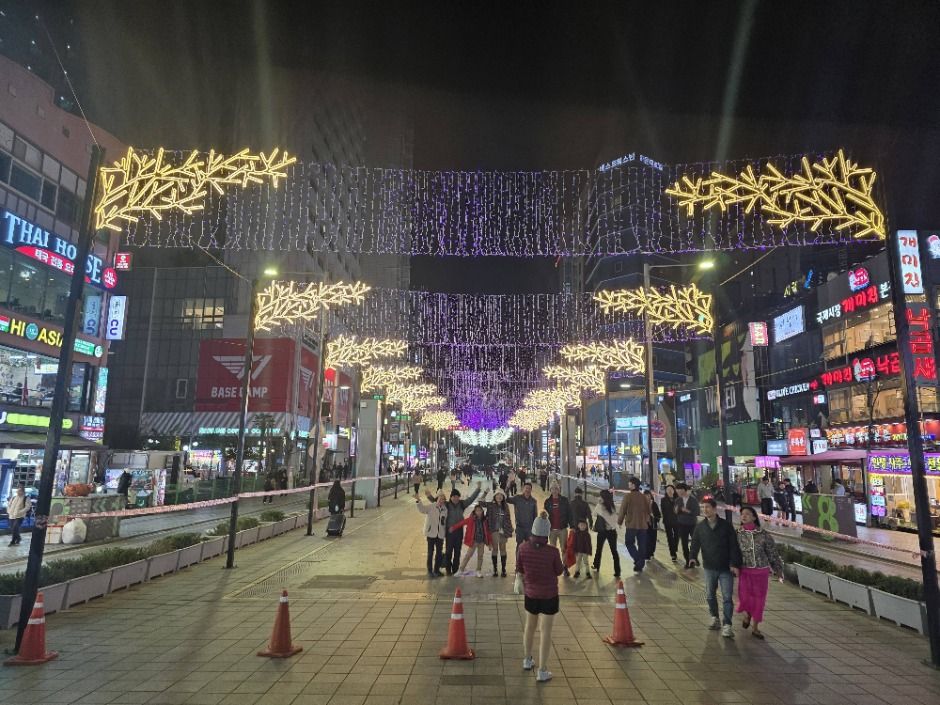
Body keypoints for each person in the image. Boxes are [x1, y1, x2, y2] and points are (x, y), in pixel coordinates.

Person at [515, 512, 562, 683]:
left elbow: (519, 568)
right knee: (546, 632)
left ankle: (527, 660)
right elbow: (559, 571)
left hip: (531, 594)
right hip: (549, 595)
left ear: (533, 530)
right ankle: (542, 670)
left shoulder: (523, 548)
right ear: (547, 533)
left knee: (529, 627)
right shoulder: (553, 551)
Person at [689, 498, 743, 638]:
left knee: (726, 597)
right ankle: (715, 617)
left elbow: (733, 546)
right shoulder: (700, 527)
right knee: (710, 595)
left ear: (714, 509)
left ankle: (727, 625)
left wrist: (734, 564)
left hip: (726, 567)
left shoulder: (726, 526)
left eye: (707, 507)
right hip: (709, 566)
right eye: (703, 507)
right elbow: (695, 543)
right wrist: (692, 557)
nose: (705, 510)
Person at [736, 506, 784, 639]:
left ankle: (755, 628)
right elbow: (732, 553)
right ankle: (747, 615)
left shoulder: (763, 534)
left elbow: (772, 553)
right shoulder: (737, 534)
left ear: (754, 517)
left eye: (747, 514)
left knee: (759, 600)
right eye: (742, 514)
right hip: (745, 572)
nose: (744, 516)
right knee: (745, 597)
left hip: (761, 572)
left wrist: (778, 570)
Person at [428, 483, 482, 575]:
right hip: (449, 531)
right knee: (449, 551)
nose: (456, 498)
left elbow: (471, 499)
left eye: (457, 496)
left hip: (459, 531)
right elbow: (436, 500)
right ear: (451, 497)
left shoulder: (462, 504)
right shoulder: (447, 504)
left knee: (457, 551)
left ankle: (455, 569)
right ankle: (448, 569)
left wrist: (478, 489)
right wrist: (429, 496)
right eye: (454, 496)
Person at [617, 477, 651, 573]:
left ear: (633, 485)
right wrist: (647, 521)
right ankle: (640, 564)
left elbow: (623, 510)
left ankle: (638, 560)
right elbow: (648, 511)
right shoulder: (643, 496)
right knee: (642, 545)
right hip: (643, 525)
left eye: (629, 483)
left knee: (629, 543)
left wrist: (619, 521)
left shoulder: (628, 496)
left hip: (632, 524)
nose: (628, 485)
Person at [450, 503, 491, 577]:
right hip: (474, 541)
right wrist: (453, 527)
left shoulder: (485, 520)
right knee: (468, 555)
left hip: (482, 541)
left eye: (480, 510)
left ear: (482, 511)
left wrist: (489, 543)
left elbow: (488, 532)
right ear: (474, 512)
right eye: (477, 511)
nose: (478, 512)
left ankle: (478, 571)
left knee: (480, 556)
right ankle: (461, 570)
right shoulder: (471, 519)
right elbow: (461, 523)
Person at [416, 491, 448, 577]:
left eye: (443, 499)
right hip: (431, 534)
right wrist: (418, 500)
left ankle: (437, 570)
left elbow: (444, 522)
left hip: (440, 535)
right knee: (430, 553)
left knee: (439, 553)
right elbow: (422, 509)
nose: (442, 501)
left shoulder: (445, 509)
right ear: (437, 499)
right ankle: (430, 570)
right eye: (440, 499)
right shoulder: (431, 506)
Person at [483, 487, 513, 576]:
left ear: (503, 497)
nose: (499, 497)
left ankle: (503, 569)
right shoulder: (491, 505)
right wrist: (485, 492)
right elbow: (480, 501)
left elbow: (508, 518)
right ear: (495, 496)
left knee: (503, 549)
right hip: (494, 530)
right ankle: (495, 569)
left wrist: (509, 530)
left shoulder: (505, 506)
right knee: (495, 549)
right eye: (497, 495)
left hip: (503, 531)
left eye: (501, 495)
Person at [543, 483, 572, 577]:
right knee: (553, 550)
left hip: (562, 529)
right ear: (550, 490)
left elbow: (569, 513)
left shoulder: (564, 500)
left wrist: (572, 525)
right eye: (553, 488)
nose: (555, 490)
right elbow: (544, 515)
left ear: (559, 490)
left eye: (556, 488)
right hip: (552, 530)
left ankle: (565, 567)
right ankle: (553, 567)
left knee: (564, 549)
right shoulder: (547, 502)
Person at [591, 489, 621, 578]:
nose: (599, 498)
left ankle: (597, 566)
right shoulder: (612, 507)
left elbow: (594, 514)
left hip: (604, 532)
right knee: (612, 551)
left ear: (604, 497)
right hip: (610, 532)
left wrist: (599, 504)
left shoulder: (603, 507)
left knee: (601, 549)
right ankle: (617, 571)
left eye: (600, 496)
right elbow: (595, 514)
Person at [507, 481, 538, 558]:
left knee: (530, 547)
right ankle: (518, 565)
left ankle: (528, 564)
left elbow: (535, 515)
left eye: (529, 488)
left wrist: (535, 529)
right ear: (523, 489)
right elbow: (506, 499)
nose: (527, 490)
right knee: (519, 546)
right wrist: (508, 486)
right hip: (520, 527)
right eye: (526, 488)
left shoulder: (533, 501)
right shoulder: (517, 498)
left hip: (530, 528)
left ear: (531, 490)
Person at [675, 483, 700, 568]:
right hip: (681, 524)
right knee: (684, 543)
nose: (679, 493)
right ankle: (688, 561)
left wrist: (687, 511)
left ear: (685, 490)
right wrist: (677, 510)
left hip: (692, 524)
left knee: (694, 542)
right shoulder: (678, 500)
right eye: (677, 491)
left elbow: (697, 512)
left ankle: (694, 557)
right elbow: (675, 511)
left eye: (680, 491)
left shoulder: (693, 500)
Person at [660, 484, 680, 562]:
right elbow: (663, 511)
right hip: (667, 521)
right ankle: (673, 554)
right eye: (668, 490)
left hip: (677, 521)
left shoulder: (678, 499)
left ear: (674, 490)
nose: (669, 491)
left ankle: (674, 548)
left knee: (677, 536)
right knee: (669, 537)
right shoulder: (663, 500)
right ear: (666, 491)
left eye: (671, 489)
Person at [645, 489, 661, 560]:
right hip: (644, 525)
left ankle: (651, 552)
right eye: (645, 496)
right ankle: (647, 554)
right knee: (646, 539)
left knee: (652, 539)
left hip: (653, 524)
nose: (646, 497)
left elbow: (658, 515)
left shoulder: (654, 504)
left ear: (650, 496)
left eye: (648, 495)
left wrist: (653, 516)